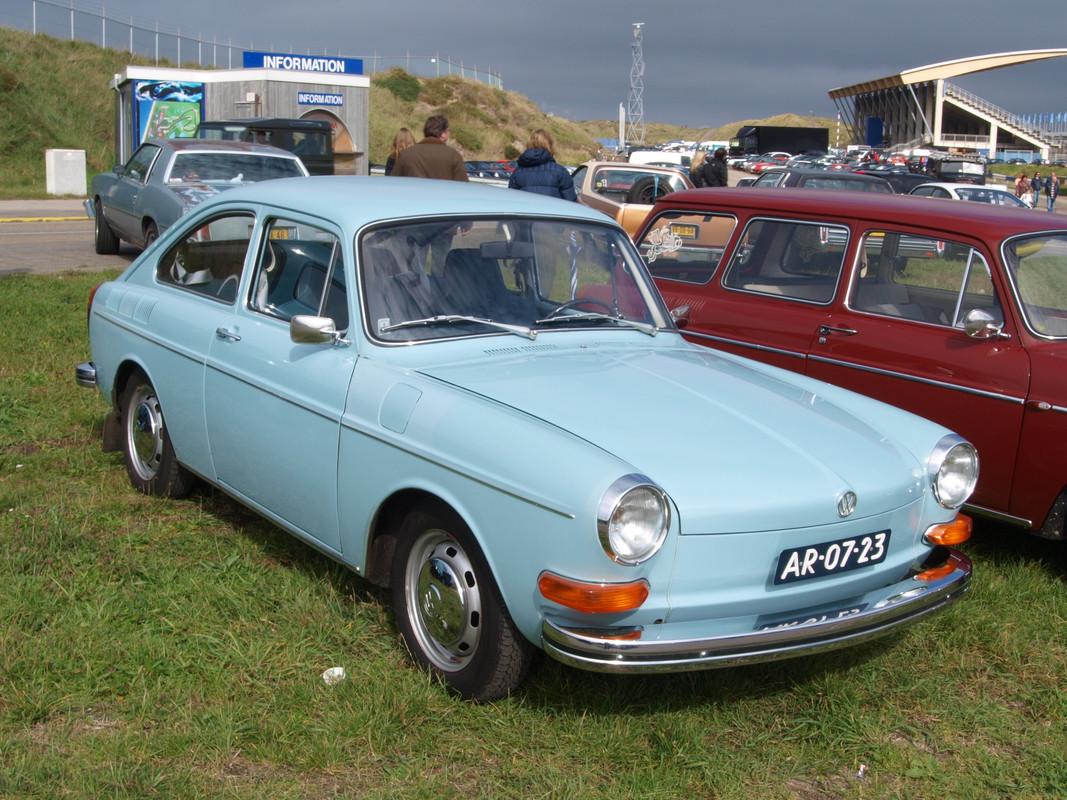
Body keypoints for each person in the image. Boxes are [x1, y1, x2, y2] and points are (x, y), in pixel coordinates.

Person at [392, 115, 468, 181]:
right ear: (443, 134)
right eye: (448, 131)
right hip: (442, 197)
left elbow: (394, 182)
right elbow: (463, 187)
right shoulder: (453, 156)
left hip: (413, 197)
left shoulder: (407, 154)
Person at [507, 129, 577, 200]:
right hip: (552, 210)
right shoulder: (560, 172)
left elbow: (511, 202)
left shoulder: (517, 173)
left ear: (529, 144)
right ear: (549, 145)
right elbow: (571, 203)